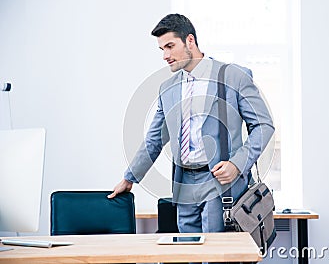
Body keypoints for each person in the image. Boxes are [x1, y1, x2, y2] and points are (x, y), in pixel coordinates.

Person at [108, 13, 274, 234]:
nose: (165, 55)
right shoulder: (167, 89)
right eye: (162, 49)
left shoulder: (233, 76)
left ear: (190, 41)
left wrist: (237, 164)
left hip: (220, 182)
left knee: (216, 255)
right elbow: (154, 139)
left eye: (170, 46)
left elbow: (263, 125)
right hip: (184, 183)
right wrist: (129, 178)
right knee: (188, 252)